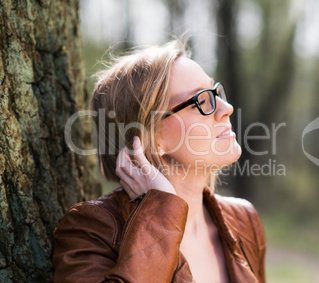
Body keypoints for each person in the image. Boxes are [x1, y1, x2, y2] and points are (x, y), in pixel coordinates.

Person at [53, 39, 266, 282]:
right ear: (149, 139)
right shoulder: (92, 232)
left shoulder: (243, 220)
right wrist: (162, 212)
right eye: (201, 101)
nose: (226, 108)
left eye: (216, 92)